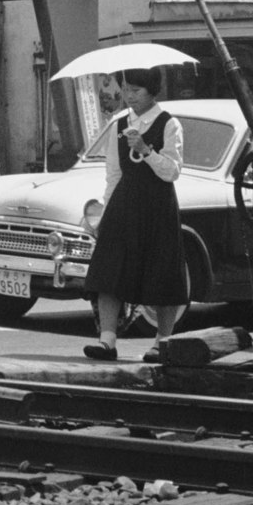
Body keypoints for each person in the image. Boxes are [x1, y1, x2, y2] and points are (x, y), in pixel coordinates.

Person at [81, 67, 189, 363]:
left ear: (152, 92)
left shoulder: (169, 124)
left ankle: (162, 342)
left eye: (136, 92)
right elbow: (113, 174)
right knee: (109, 271)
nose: (129, 97)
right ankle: (107, 341)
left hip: (157, 204)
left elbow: (172, 172)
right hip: (124, 203)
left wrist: (144, 149)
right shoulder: (118, 125)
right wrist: (105, 213)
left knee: (161, 273)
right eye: (126, 90)